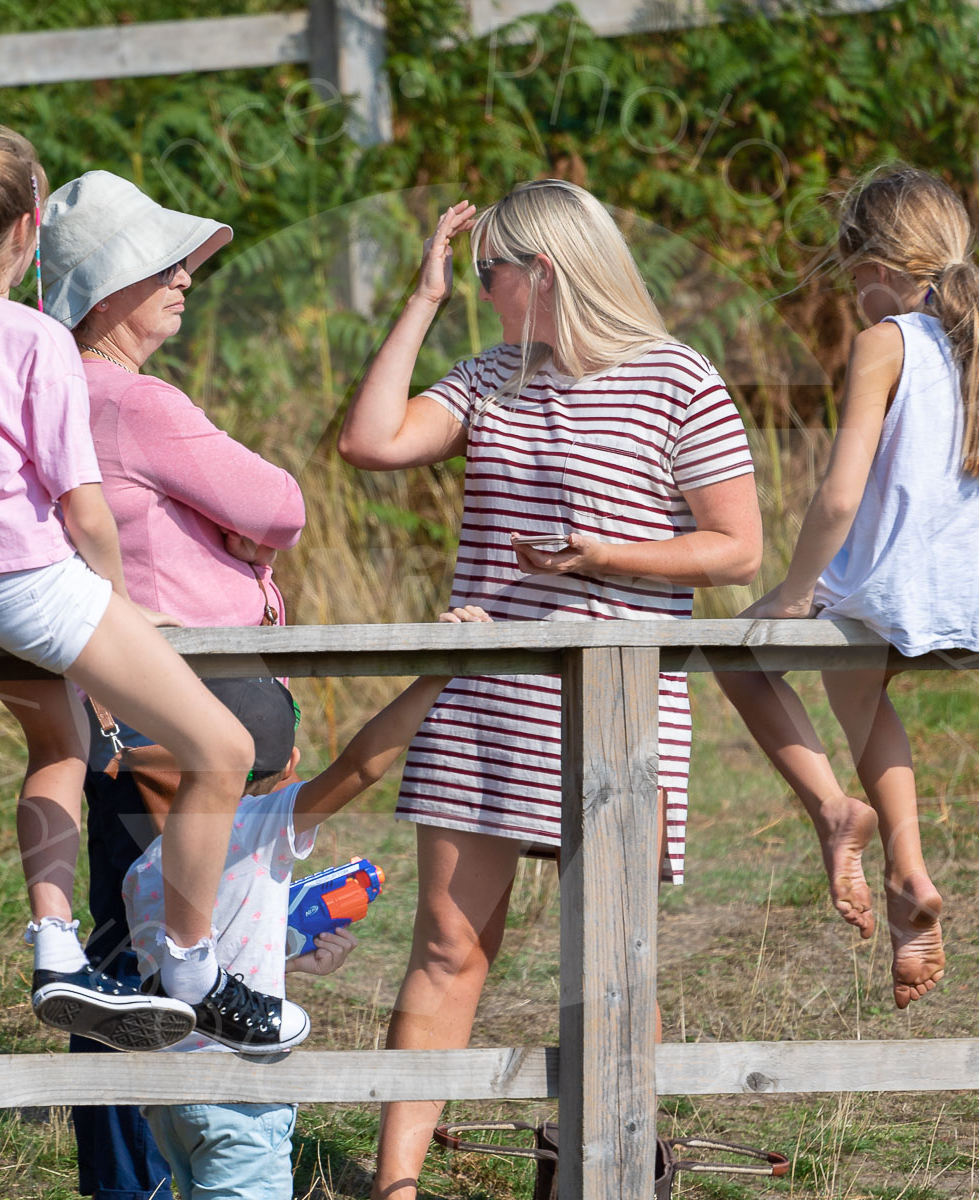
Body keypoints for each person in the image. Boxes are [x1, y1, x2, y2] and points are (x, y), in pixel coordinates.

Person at [336, 180, 763, 1200]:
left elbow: (735, 550)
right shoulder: (490, 376)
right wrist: (424, 298)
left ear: (544, 273)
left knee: (612, 960)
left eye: (487, 275)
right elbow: (371, 444)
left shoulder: (678, 381)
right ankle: (394, 1188)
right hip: (486, 697)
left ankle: (614, 1169)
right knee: (446, 944)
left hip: (617, 704)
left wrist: (602, 557)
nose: (482, 292)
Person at [0, 126, 299, 1060]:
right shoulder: (33, 337)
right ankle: (194, 970)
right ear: (27, 228)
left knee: (59, 746)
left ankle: (57, 952)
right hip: (33, 584)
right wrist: (119, 609)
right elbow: (84, 513)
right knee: (223, 748)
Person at [716, 164, 979, 1009]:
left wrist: (793, 592)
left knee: (737, 656)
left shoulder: (886, 341)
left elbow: (836, 498)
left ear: (873, 267)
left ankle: (835, 808)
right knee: (860, 682)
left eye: (850, 279)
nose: (851, 299)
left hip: (892, 593)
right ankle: (908, 872)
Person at [37, 169, 307, 1200]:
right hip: (198, 699)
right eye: (167, 264)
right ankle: (214, 1166)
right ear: (112, 287)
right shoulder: (136, 400)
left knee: (114, 962)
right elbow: (277, 501)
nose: (188, 277)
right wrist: (230, 530)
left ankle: (124, 1182)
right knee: (197, 948)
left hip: (100, 695)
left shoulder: (49, 387)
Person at [125, 608, 492, 1200]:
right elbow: (361, 766)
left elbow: (187, 963)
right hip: (239, 1090)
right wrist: (437, 674)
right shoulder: (264, 824)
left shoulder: (144, 865)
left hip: (166, 1091)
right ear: (287, 765)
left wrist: (286, 960)